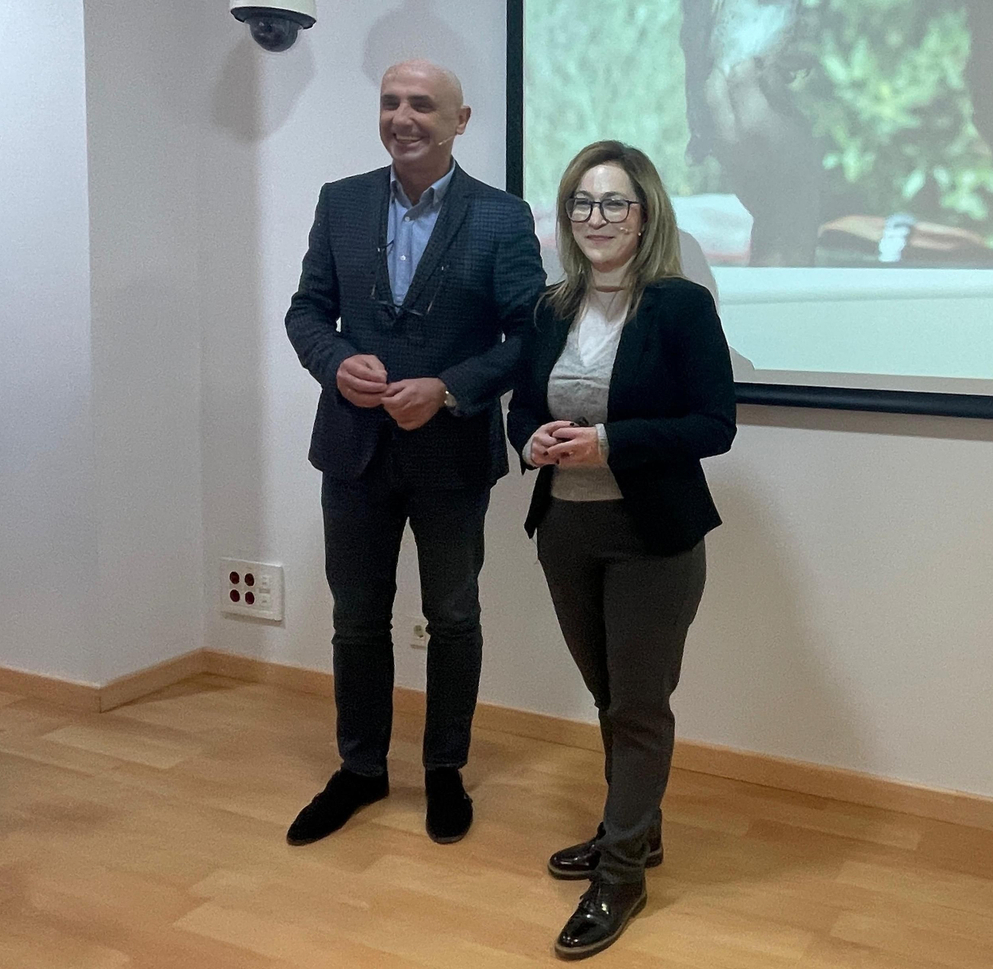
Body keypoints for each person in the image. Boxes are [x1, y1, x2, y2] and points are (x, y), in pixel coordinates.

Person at [283, 59, 544, 847]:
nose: (403, 116)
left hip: (451, 456)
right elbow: (306, 313)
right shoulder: (342, 202)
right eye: (392, 102)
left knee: (453, 616)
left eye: (423, 105)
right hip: (353, 451)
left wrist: (452, 387)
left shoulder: (502, 218)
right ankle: (361, 769)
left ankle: (443, 770)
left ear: (460, 121)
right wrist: (335, 364)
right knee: (356, 619)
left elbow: (531, 336)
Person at [507, 140, 736, 958]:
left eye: (614, 204)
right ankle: (635, 830)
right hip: (564, 532)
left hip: (653, 539)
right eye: (581, 203)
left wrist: (611, 442)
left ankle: (623, 872)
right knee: (610, 698)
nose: (595, 218)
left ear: (645, 217)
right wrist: (531, 440)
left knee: (640, 707)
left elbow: (715, 426)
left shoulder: (679, 307)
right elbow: (519, 411)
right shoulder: (550, 307)